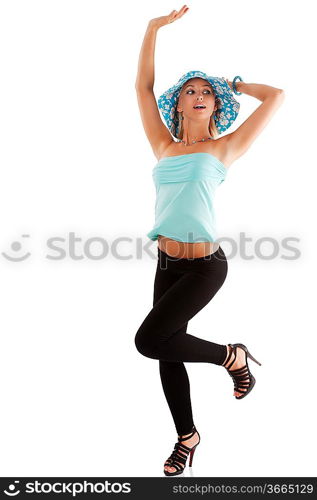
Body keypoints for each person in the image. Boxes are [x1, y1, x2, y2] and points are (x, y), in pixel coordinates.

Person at [134, 4, 285, 476]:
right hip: (165, 261)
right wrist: (152, 28)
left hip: (204, 264)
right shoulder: (163, 145)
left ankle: (230, 357)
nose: (198, 95)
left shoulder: (225, 147)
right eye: (190, 91)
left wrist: (233, 84)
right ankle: (187, 436)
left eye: (207, 92)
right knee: (165, 347)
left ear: (215, 104)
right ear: (177, 103)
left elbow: (277, 96)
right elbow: (142, 87)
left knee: (150, 339)